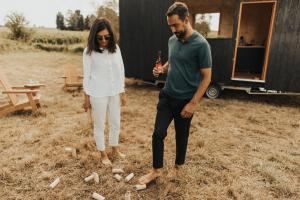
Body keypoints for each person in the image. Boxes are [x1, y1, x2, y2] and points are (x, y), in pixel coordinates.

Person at [139, 2, 212, 184]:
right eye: (170, 25)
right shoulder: (173, 40)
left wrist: (193, 103)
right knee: (158, 134)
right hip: (167, 96)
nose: (173, 29)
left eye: (176, 25)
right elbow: (172, 60)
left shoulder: (201, 45)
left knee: (182, 136)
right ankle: (156, 170)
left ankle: (178, 167)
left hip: (185, 100)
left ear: (186, 20)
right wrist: (162, 70)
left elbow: (206, 78)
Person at [82, 18, 126, 166]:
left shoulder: (116, 49)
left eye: (107, 37)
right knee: (100, 125)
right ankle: (103, 153)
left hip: (114, 92)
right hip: (97, 93)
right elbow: (86, 76)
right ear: (94, 36)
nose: (103, 40)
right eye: (99, 37)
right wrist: (86, 98)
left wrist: (122, 91)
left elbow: (120, 70)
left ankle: (115, 148)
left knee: (115, 122)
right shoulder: (88, 52)